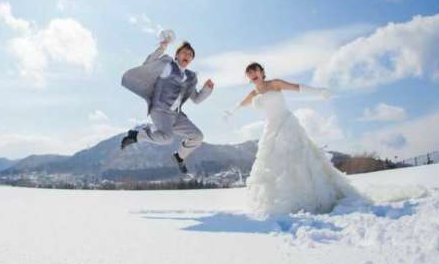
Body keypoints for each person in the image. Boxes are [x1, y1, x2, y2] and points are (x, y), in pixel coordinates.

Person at [225, 62, 360, 215]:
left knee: (297, 160)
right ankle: (282, 199)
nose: (252, 74)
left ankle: (309, 197)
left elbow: (296, 87)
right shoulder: (254, 93)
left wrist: (319, 92)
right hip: (270, 129)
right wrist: (230, 112)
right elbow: (241, 104)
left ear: (262, 72)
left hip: (286, 123)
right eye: (249, 73)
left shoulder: (274, 84)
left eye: (255, 70)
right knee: (272, 163)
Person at [120, 30, 214, 174]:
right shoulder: (167, 66)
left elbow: (196, 99)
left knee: (198, 136)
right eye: (184, 52)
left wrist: (207, 89)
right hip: (160, 110)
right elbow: (148, 63)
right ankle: (138, 134)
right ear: (177, 55)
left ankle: (180, 156)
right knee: (167, 138)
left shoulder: (190, 78)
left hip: (176, 116)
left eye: (190, 55)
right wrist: (162, 48)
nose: (187, 56)